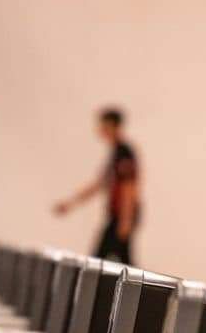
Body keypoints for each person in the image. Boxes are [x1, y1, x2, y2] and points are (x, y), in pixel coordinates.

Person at [53, 108, 141, 264]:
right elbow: (100, 184)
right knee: (118, 260)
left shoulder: (124, 153)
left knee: (101, 259)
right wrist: (70, 203)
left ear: (115, 127)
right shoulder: (116, 153)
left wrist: (125, 220)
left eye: (105, 126)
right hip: (117, 216)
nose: (101, 130)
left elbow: (129, 187)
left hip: (121, 216)